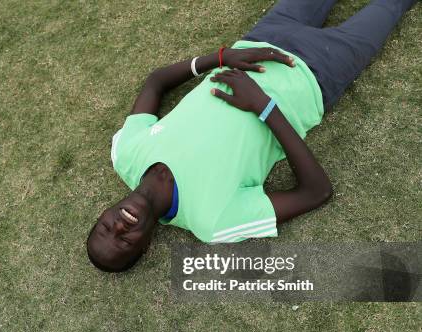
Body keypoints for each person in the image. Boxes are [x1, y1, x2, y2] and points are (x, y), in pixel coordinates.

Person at [86, 0, 417, 272]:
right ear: (146, 248)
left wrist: (219, 57)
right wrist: (263, 105)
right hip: (317, 73)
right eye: (125, 241)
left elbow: (154, 82)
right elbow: (317, 192)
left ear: (102, 215)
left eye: (105, 228)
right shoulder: (211, 219)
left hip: (262, 37)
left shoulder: (126, 155)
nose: (119, 227)